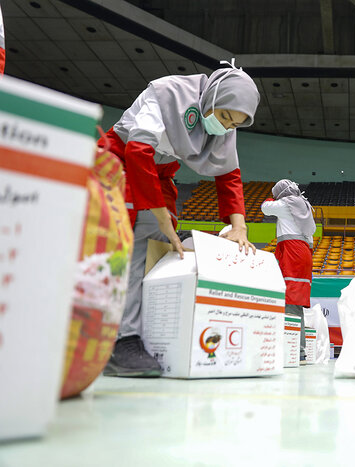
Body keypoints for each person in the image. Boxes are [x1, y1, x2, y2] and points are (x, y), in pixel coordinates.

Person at [99, 59, 260, 377]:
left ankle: (144, 332)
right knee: (140, 242)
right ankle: (121, 340)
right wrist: (157, 215)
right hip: (122, 160)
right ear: (213, 96)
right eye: (225, 116)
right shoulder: (167, 93)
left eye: (235, 124)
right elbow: (137, 150)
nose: (227, 127)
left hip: (159, 174)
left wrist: (239, 226)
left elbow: (229, 174)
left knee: (162, 249)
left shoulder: (226, 124)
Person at [261, 180, 315, 361]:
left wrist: (272, 198)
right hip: (303, 255)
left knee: (290, 301)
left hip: (292, 253)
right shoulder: (304, 206)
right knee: (294, 302)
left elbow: (265, 208)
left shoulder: (286, 203)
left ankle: (295, 350)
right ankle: (298, 349)